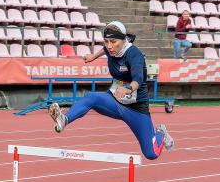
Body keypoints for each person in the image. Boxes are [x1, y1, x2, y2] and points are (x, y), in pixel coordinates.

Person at [48, 21, 174, 160]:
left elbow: (138, 79)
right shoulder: (109, 48)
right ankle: (64, 119)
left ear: (123, 39)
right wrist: (93, 56)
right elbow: (105, 49)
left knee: (151, 154)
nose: (109, 46)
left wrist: (128, 88)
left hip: (136, 109)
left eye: (113, 42)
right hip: (114, 100)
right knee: (91, 97)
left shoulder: (134, 55)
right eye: (106, 41)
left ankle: (161, 131)